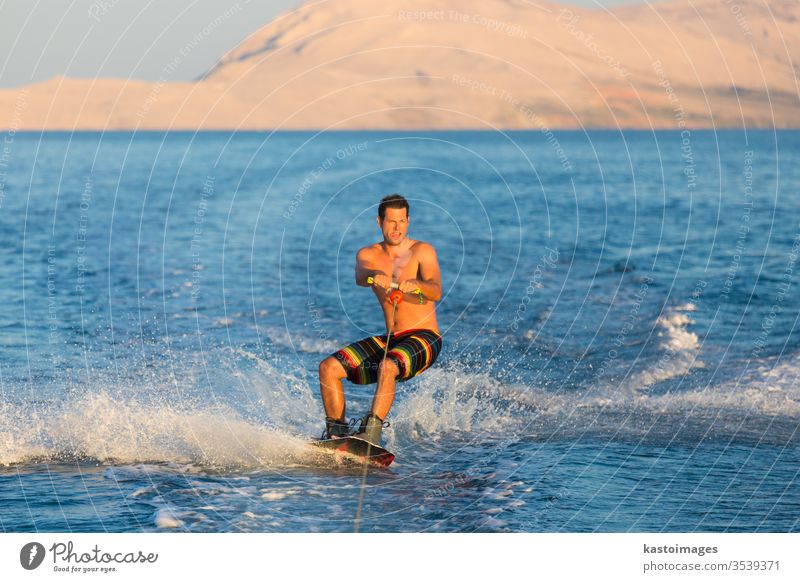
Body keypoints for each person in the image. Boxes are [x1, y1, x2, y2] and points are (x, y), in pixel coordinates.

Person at [318, 194, 443, 446]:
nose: (397, 228)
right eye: (391, 221)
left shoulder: (422, 251)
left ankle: (371, 435)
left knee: (388, 366)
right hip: (392, 340)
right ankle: (337, 434)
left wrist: (415, 285)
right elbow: (361, 275)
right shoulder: (369, 254)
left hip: (425, 338)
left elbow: (435, 290)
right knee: (328, 368)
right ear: (379, 221)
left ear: (408, 222)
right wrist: (376, 274)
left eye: (402, 221)